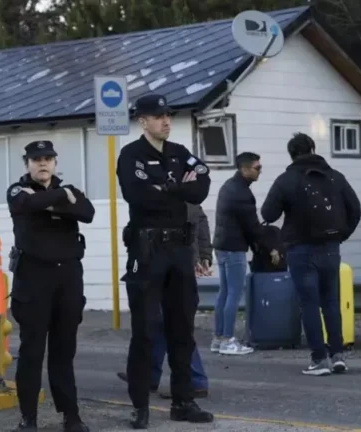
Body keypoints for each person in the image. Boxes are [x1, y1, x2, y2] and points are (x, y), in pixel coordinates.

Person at [116, 93, 213, 429]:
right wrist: (177, 187)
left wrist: (165, 187)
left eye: (168, 115)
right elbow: (138, 194)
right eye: (158, 117)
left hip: (180, 250)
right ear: (143, 121)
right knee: (144, 330)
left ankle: (183, 401)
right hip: (148, 250)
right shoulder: (131, 156)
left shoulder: (179, 153)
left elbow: (200, 187)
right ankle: (139, 405)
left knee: (182, 328)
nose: (166, 121)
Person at [6, 140, 95, 432]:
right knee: (32, 352)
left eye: (47, 159)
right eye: (36, 160)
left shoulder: (72, 190)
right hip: (33, 279)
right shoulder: (17, 190)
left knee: (63, 351)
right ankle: (28, 418)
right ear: (27, 164)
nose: (42, 164)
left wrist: (54, 201)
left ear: (55, 162)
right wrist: (61, 199)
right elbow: (27, 203)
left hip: (67, 278)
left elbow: (87, 212)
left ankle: (71, 416)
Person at [261, 132, 361, 376]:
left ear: (291, 154)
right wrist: (340, 235)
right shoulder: (336, 177)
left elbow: (268, 213)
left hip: (300, 249)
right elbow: (355, 209)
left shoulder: (286, 179)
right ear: (313, 149)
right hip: (330, 248)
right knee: (330, 302)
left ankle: (319, 359)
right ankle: (338, 356)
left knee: (309, 304)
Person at [116, 203, 210, 399]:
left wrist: (202, 256)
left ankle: (196, 379)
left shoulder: (175, 191)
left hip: (170, 262)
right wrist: (204, 255)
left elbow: (197, 222)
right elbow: (201, 222)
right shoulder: (184, 190)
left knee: (176, 325)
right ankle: (148, 375)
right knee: (161, 323)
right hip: (171, 261)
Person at [212, 152, 279, 355]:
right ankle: (228, 340)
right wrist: (271, 248)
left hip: (221, 246)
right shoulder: (242, 193)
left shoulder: (228, 187)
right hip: (233, 249)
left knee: (224, 292)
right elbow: (253, 227)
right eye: (256, 168)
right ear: (244, 169)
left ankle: (218, 338)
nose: (260, 171)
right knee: (233, 293)